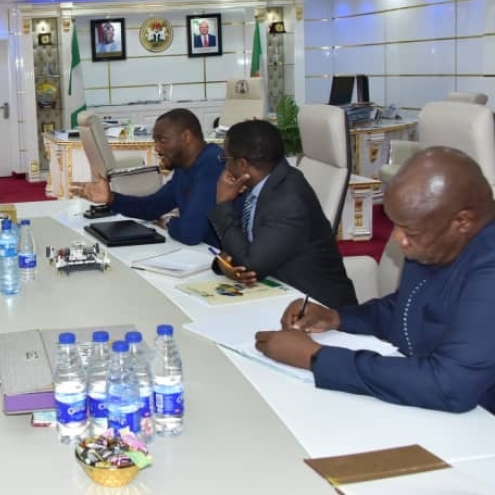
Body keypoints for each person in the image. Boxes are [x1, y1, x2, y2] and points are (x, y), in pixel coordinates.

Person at [256, 147, 495, 413]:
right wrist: (337, 318)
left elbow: (450, 385)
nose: (397, 239)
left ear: (462, 221)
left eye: (409, 231)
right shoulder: (437, 238)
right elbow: (407, 308)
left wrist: (316, 358)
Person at [208, 119, 357, 308]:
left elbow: (251, 264)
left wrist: (223, 204)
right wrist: (224, 265)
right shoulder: (262, 184)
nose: (225, 167)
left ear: (243, 164)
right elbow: (239, 250)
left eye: (226, 159)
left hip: (318, 309)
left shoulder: (287, 201)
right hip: (277, 294)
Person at [75, 108, 223, 247]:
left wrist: (168, 221)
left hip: (220, 261)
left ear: (186, 137)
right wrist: (111, 198)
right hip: (200, 253)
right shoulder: (184, 167)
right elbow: (152, 207)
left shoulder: (212, 165)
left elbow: (190, 233)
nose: (157, 148)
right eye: (155, 141)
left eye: (162, 140)